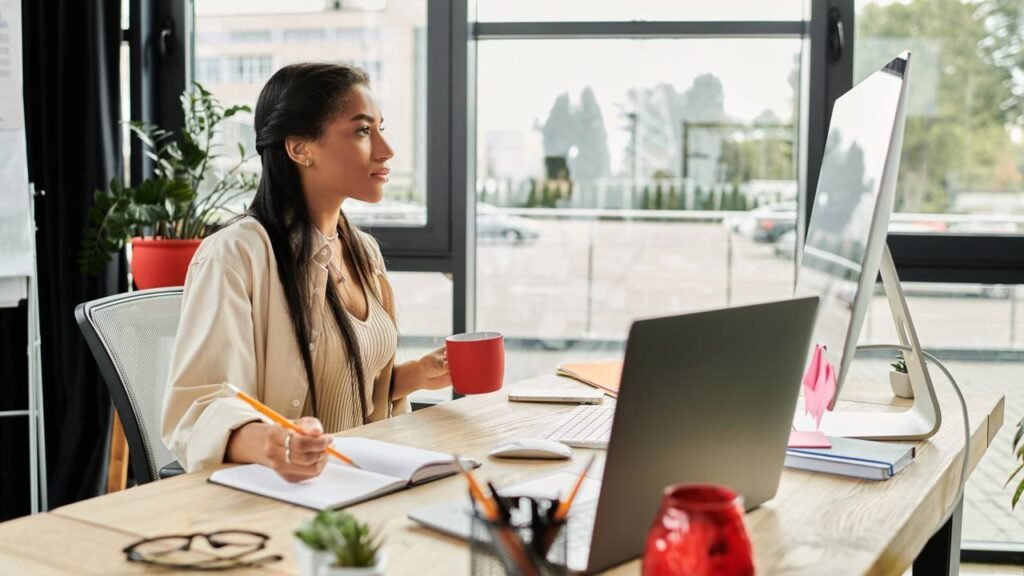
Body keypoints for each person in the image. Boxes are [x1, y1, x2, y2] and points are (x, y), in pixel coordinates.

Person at [162, 63, 451, 482]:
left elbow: (342, 393)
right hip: (285, 492)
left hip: (359, 481)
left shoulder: (363, 251)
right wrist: (274, 443)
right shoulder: (236, 255)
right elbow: (198, 411)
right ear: (300, 148)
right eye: (363, 131)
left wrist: (414, 375)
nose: (386, 150)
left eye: (381, 129)